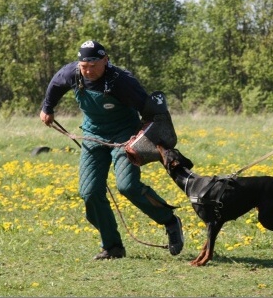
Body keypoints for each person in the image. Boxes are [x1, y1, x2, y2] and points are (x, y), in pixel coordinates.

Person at [39, 40, 184, 260]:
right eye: (84, 66)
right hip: (92, 135)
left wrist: (143, 140)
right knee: (89, 193)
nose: (88, 70)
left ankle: (170, 221)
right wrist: (47, 108)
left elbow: (150, 112)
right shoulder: (73, 73)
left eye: (93, 65)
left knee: (128, 186)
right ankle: (113, 247)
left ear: (106, 61)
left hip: (125, 136)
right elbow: (56, 84)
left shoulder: (122, 81)